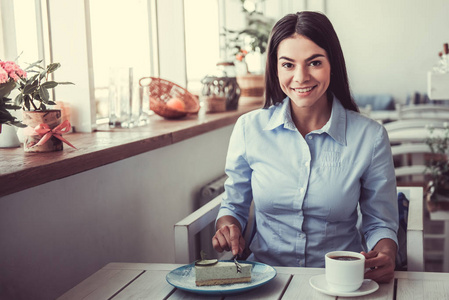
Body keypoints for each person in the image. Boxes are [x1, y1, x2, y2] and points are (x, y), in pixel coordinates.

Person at [212, 11, 399, 283]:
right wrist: (228, 227)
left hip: (340, 280)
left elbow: (380, 222)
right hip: (263, 279)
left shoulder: (370, 137)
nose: (301, 77)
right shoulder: (248, 128)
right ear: (275, 69)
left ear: (332, 64)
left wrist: (385, 252)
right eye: (288, 65)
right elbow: (233, 205)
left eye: (314, 62)